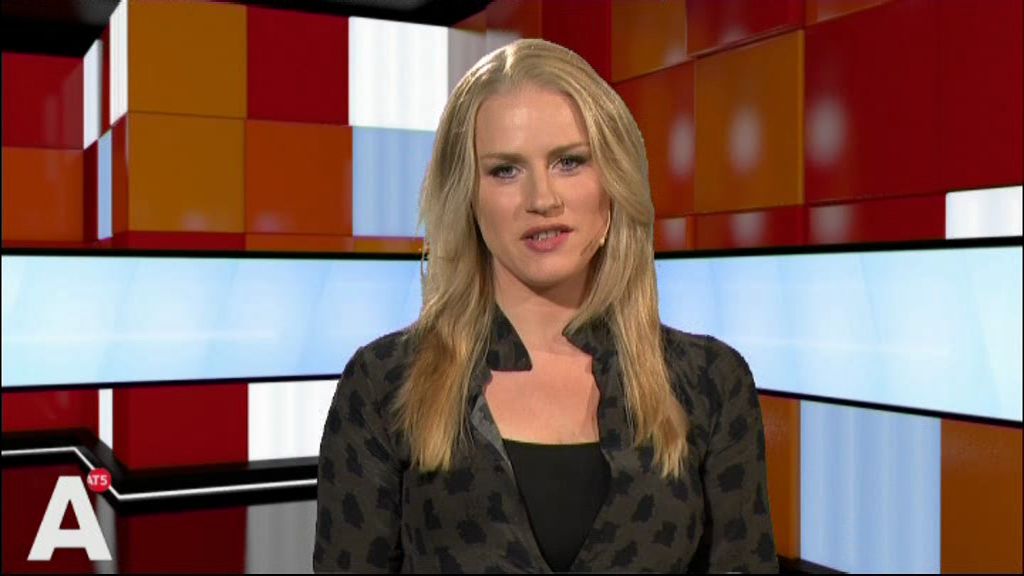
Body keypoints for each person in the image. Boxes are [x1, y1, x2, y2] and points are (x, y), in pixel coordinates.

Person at [314, 38, 777, 573]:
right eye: (505, 170)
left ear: (614, 182)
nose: (542, 199)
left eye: (569, 162)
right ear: (467, 197)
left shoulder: (711, 382)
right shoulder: (384, 384)